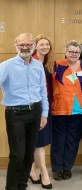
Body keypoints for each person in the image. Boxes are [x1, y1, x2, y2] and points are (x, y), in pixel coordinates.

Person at [0, 33, 49, 190]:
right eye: (21, 44)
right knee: (17, 155)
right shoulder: (7, 65)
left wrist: (44, 113)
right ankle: (11, 187)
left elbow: (43, 91)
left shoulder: (37, 65)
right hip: (16, 115)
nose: (25, 47)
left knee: (29, 154)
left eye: (28, 44)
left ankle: (22, 185)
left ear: (33, 46)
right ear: (16, 46)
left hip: (35, 113)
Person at [51, 40, 82, 180]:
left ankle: (67, 168)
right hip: (59, 109)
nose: (74, 54)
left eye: (77, 52)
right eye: (71, 51)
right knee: (59, 140)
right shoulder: (56, 65)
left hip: (78, 110)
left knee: (72, 140)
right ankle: (57, 169)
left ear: (80, 54)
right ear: (66, 52)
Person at [30, 35, 54, 189]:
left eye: (47, 44)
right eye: (42, 44)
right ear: (35, 46)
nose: (45, 47)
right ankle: (44, 173)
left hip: (46, 106)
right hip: (35, 107)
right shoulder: (31, 62)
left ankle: (32, 170)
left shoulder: (47, 63)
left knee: (38, 140)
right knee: (39, 141)